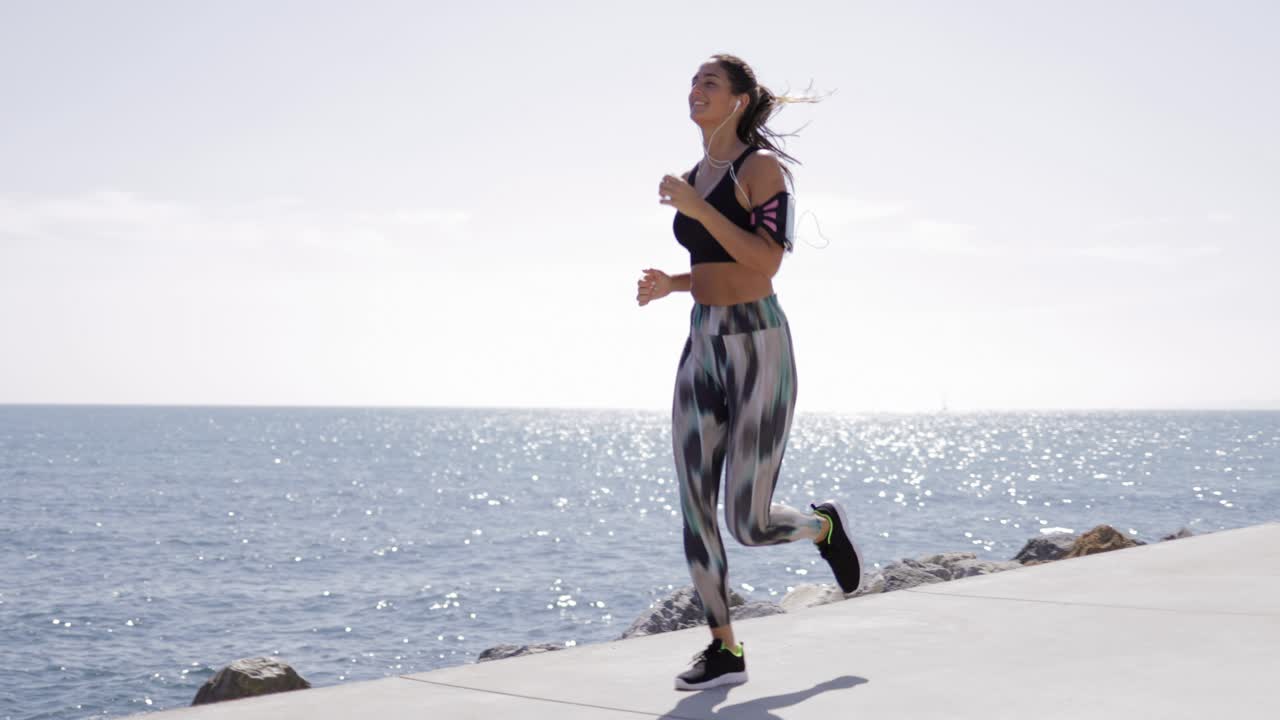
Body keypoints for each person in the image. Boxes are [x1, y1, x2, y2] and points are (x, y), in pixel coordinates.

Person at [637, 54, 864, 691]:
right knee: (694, 505)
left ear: (739, 100)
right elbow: (715, 263)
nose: (696, 89)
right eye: (692, 81)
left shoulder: (760, 168)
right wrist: (673, 283)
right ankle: (724, 649)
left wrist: (698, 207)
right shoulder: (693, 175)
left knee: (749, 523)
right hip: (702, 341)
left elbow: (765, 263)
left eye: (710, 82)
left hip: (759, 344)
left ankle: (822, 526)